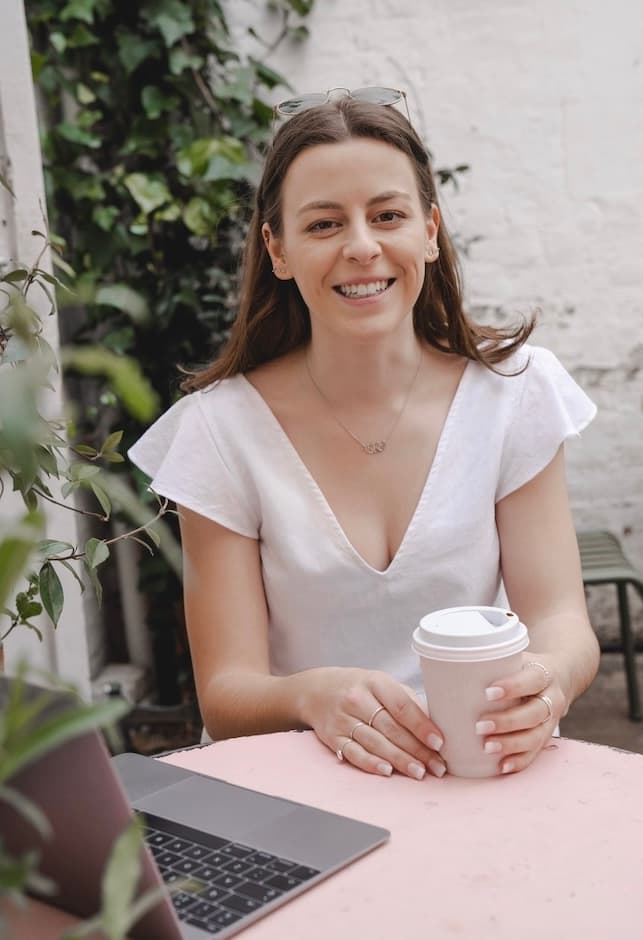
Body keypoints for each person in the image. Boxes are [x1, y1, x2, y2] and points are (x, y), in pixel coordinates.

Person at [129, 86, 600, 781]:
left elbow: (561, 618)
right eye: (323, 225)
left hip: (485, 771)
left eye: (387, 216)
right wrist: (314, 695)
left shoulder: (514, 395)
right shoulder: (219, 432)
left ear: (430, 232)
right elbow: (227, 695)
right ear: (277, 249)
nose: (361, 246)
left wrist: (549, 680)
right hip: (304, 792)